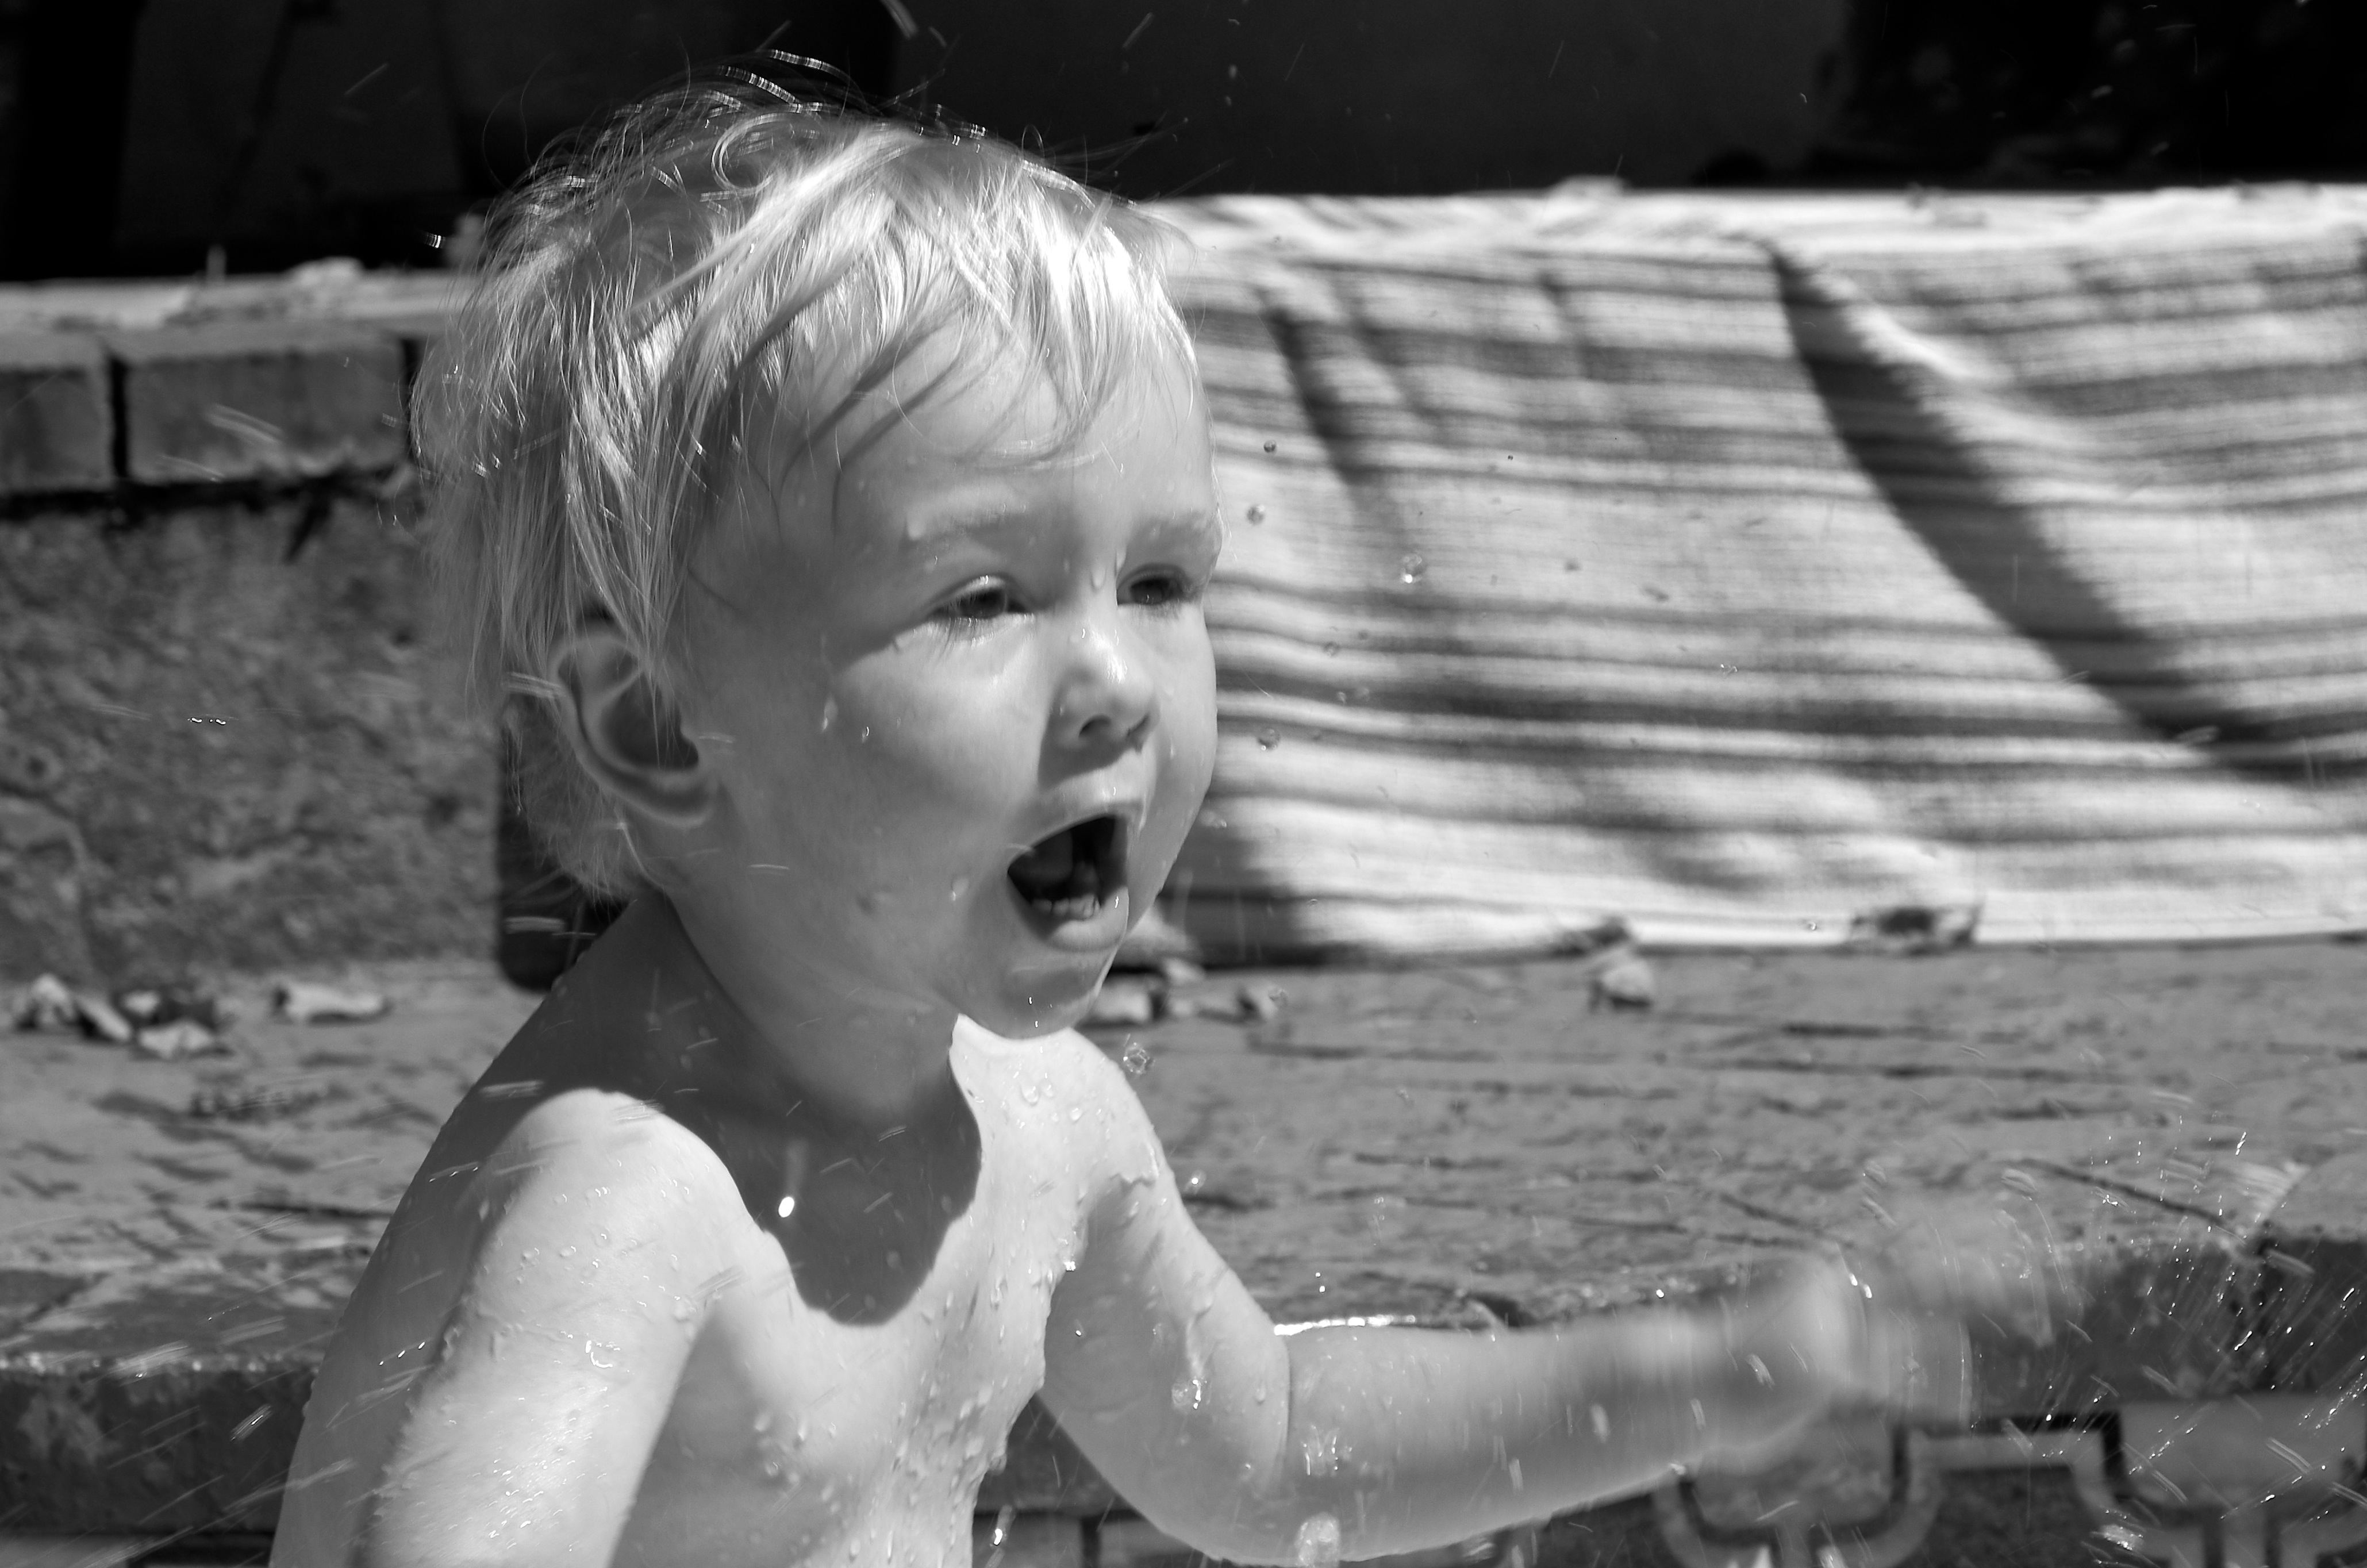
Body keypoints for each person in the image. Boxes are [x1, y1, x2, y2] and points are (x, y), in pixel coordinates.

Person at [274, 85, 2029, 1568]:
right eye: (983, 597)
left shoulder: (1039, 1126)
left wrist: (1712, 1370)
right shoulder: (630, 1208)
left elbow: (1275, 1458)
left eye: (1164, 580)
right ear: (664, 726)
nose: (1117, 677)